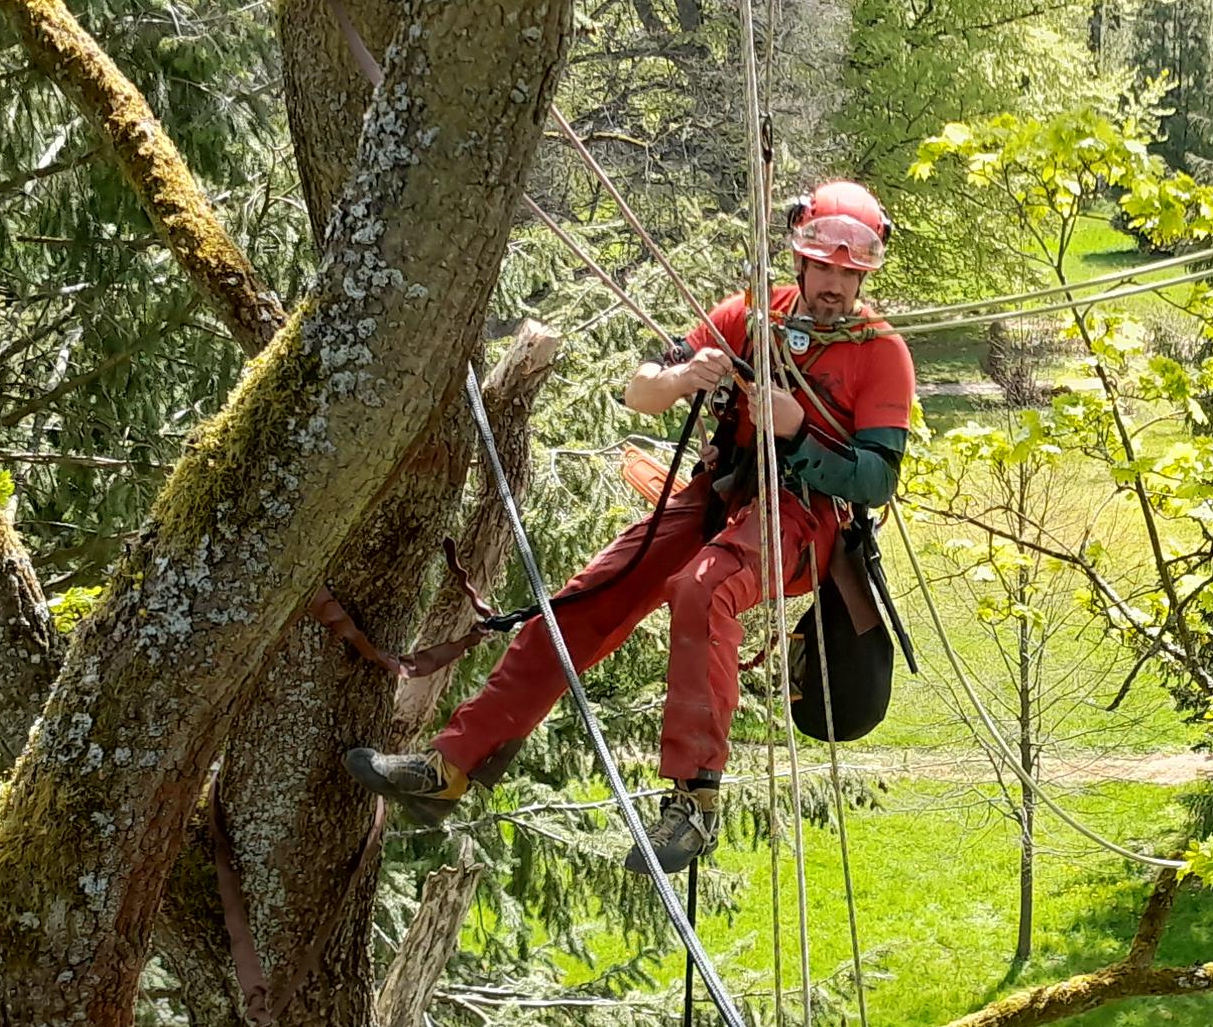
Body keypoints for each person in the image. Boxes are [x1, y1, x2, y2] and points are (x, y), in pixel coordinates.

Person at [347, 180, 917, 874]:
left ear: (864, 272)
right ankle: (451, 766)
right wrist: (685, 379)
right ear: (800, 260)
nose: (833, 284)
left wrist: (796, 432)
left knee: (703, 590)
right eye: (823, 267)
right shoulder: (751, 317)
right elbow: (640, 390)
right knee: (587, 598)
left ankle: (693, 801)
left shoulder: (880, 351)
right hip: (724, 491)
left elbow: (877, 478)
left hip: (803, 516)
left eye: (848, 272)